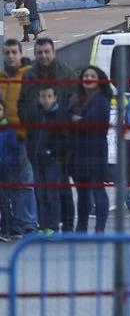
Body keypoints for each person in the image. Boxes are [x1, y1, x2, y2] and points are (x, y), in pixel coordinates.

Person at [19, 38, 75, 231]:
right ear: (35, 54)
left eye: (47, 51)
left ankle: (67, 225)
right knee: (41, 189)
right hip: (37, 140)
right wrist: (32, 119)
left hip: (61, 140)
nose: (43, 55)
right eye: (39, 52)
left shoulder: (65, 73)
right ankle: (46, 226)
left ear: (53, 52)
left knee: (63, 187)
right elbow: (22, 104)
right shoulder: (30, 76)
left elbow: (74, 100)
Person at [68, 66, 112, 233]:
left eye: (92, 75)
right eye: (85, 75)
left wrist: (77, 120)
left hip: (95, 152)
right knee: (82, 193)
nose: (88, 78)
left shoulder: (101, 100)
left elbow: (91, 123)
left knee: (98, 189)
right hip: (77, 152)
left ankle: (100, 228)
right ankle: (81, 227)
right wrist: (77, 120)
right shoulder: (76, 98)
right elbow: (67, 119)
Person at [0, 40, 36, 236]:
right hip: (6, 138)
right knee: (11, 182)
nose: (11, 56)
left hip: (25, 136)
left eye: (14, 52)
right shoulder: (2, 77)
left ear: (21, 53)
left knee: (25, 182)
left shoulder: (29, 76)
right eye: (7, 52)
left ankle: (29, 223)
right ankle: (16, 223)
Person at [28, 85, 67, 234]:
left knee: (52, 195)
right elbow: (30, 136)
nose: (46, 100)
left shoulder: (59, 115)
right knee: (40, 194)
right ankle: (42, 225)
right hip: (37, 161)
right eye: (43, 96)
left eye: (49, 96)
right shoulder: (35, 114)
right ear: (39, 97)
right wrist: (31, 153)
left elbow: (64, 138)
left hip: (52, 162)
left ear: (55, 97)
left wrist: (53, 153)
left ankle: (53, 226)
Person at [0, 99, 35, 239]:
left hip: (4, 168)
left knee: (4, 198)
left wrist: (4, 160)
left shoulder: (8, 130)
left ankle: (7, 227)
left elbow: (12, 149)